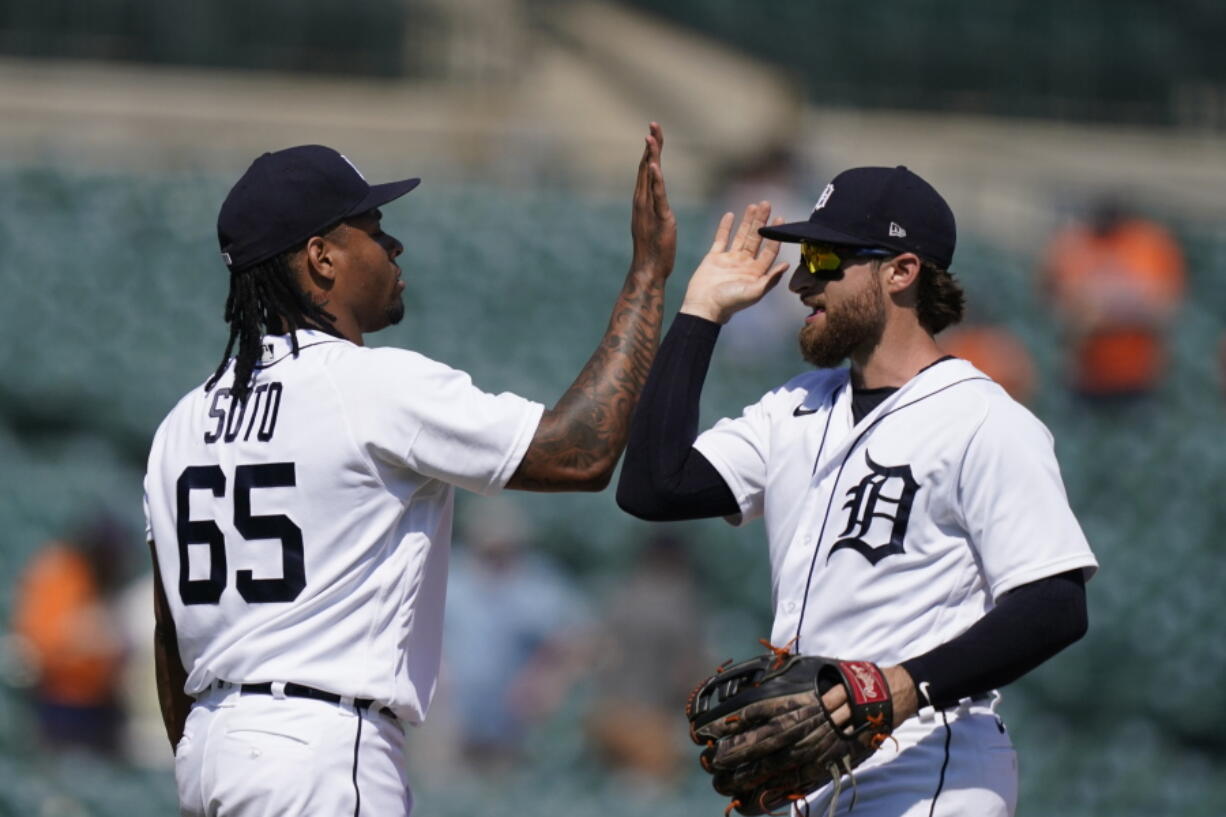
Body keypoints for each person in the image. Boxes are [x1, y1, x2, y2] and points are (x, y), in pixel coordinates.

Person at [144, 123, 675, 817]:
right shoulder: (367, 386)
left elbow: (170, 638)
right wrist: (647, 275)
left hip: (212, 749)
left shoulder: (180, 424)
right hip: (320, 749)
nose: (391, 244)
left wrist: (216, 750)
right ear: (321, 258)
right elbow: (581, 451)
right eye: (371, 225)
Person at [617, 166, 1098, 816]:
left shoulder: (986, 421)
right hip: (808, 767)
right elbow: (653, 486)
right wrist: (701, 311)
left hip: (927, 769)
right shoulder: (794, 406)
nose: (802, 280)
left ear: (901, 271)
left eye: (824, 257)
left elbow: (1055, 604)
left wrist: (904, 685)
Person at [1038, 195, 1185, 403]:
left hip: (1141, 371)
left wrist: (1101, 312)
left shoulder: (1149, 244)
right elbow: (1059, 308)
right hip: (1085, 372)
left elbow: (1163, 307)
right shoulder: (1073, 245)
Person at [10, 515, 128, 755]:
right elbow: (42, 640)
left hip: (101, 700)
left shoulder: (103, 580)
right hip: (59, 698)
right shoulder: (62, 573)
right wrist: (82, 637)